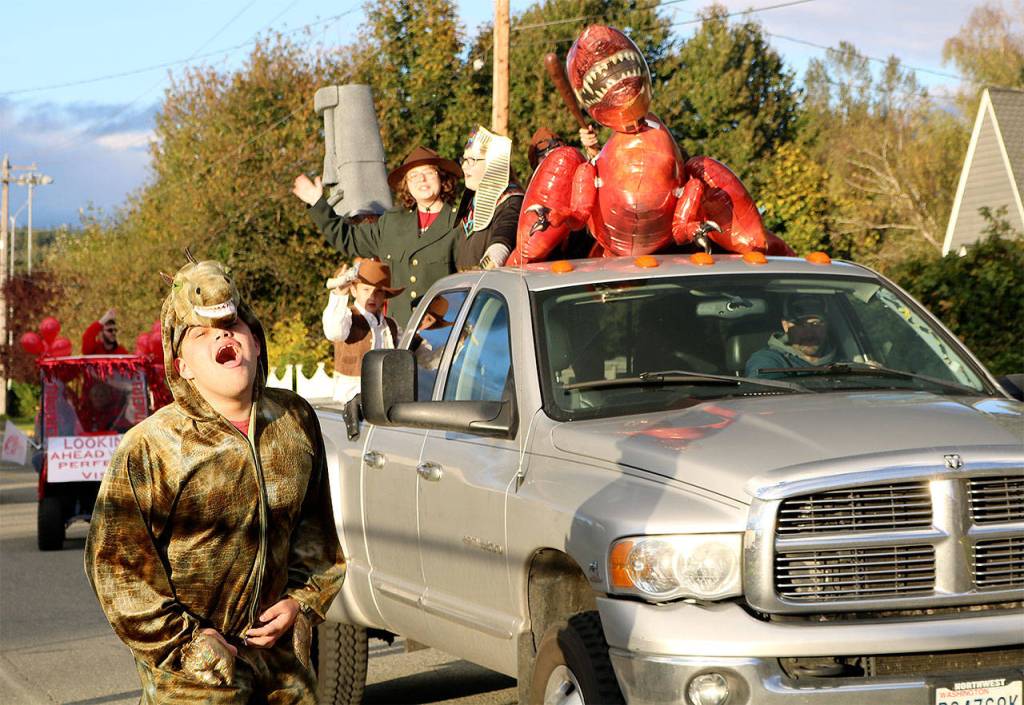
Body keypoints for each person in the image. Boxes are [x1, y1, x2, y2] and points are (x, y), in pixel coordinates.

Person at [85, 258, 345, 703]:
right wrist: (188, 644)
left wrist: (301, 602)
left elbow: (315, 532)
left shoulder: (295, 421)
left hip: (283, 669)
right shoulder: (151, 446)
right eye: (202, 334)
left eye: (234, 326)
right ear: (182, 365)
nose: (224, 335)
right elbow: (117, 570)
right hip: (192, 680)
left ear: (257, 344)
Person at [293, 145, 463, 326]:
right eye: (413, 175)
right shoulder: (392, 222)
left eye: (429, 172)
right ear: (407, 184)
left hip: (443, 337)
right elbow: (347, 238)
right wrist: (317, 204)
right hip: (399, 336)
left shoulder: (460, 222)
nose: (421, 179)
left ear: (441, 177)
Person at [455, 126, 524, 271]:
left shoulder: (512, 201)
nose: (464, 167)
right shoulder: (470, 202)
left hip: (490, 288)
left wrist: (484, 270)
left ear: (494, 163)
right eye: (464, 160)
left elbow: (502, 241)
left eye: (472, 160)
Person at [746, 295, 836, 378]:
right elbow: (766, 390)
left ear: (827, 325)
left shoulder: (846, 356)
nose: (809, 334)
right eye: (800, 325)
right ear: (785, 326)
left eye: (816, 324)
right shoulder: (768, 360)